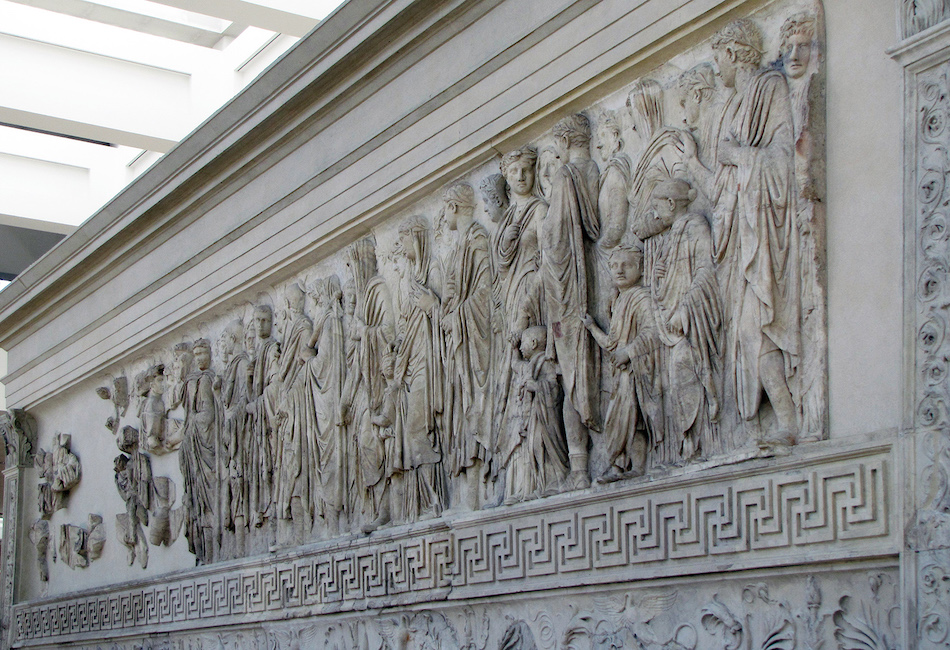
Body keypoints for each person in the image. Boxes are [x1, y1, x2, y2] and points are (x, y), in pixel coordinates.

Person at [705, 18, 801, 446]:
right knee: (744, 333)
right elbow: (718, 184)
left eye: (717, 57)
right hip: (735, 234)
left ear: (733, 52)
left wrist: (737, 155)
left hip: (764, 232)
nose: (715, 67)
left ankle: (787, 420)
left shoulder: (769, 88)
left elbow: (782, 158)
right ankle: (770, 423)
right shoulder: (734, 104)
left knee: (757, 328)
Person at [540, 113, 601, 489]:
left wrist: (541, 231)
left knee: (572, 376)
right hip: (598, 277)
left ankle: (579, 468)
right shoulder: (594, 169)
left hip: (572, 291)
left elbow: (557, 240)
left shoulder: (565, 177)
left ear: (563, 144)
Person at [642, 179, 723, 458]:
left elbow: (705, 271)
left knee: (685, 368)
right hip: (671, 327)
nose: (654, 215)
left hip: (690, 322)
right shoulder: (670, 236)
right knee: (674, 381)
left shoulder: (696, 226)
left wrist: (685, 308)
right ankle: (688, 441)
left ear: (671, 203)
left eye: (656, 207)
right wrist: (657, 279)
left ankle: (700, 440)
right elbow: (663, 288)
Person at [583, 246, 662, 479]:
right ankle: (619, 464)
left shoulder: (641, 298)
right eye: (615, 266)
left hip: (637, 369)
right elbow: (611, 344)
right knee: (619, 419)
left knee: (633, 418)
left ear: (639, 268)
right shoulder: (618, 302)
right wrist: (592, 327)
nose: (619, 270)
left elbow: (652, 331)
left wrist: (629, 352)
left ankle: (635, 466)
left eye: (626, 265)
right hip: (620, 373)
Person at [440, 183, 492, 509]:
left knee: (473, 415)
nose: (444, 216)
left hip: (472, 345)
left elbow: (484, 292)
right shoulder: (460, 245)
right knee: (461, 418)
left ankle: (475, 498)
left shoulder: (476, 241)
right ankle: (467, 499)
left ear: (455, 207)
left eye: (446, 208)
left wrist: (455, 317)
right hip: (458, 345)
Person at [500, 325, 568, 503]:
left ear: (534, 343)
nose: (522, 348)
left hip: (545, 418)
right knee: (533, 449)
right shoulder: (528, 366)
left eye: (523, 344)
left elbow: (554, 388)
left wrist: (536, 386)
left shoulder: (546, 363)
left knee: (543, 446)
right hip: (532, 419)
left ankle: (554, 482)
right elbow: (515, 365)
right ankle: (540, 484)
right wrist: (513, 347)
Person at [179, 338, 219, 564]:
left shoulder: (208, 379)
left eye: (204, 354)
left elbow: (209, 414)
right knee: (198, 503)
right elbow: (189, 417)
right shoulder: (192, 381)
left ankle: (212, 551)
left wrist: (194, 422)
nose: (201, 358)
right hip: (195, 449)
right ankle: (204, 552)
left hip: (207, 449)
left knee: (210, 500)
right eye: (197, 355)